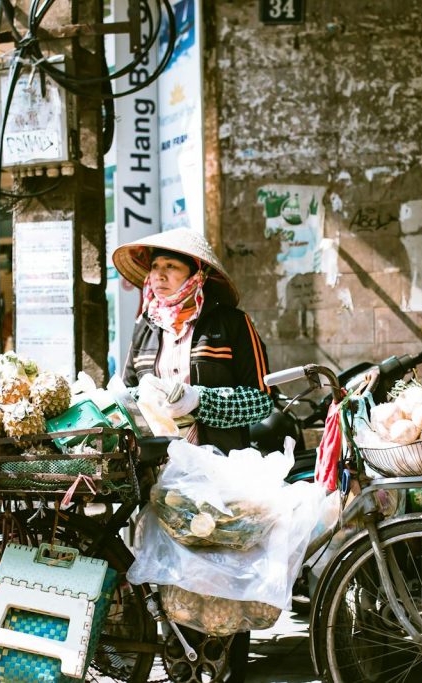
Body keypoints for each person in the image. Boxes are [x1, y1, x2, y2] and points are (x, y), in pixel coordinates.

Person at [112, 227, 274, 682]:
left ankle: (228, 670)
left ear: (195, 274)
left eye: (171, 267)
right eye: (155, 267)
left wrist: (200, 400)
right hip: (164, 477)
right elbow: (126, 393)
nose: (159, 276)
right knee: (175, 585)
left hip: (222, 472)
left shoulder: (230, 323)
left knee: (223, 584)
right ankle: (182, 666)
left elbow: (261, 400)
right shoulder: (146, 328)